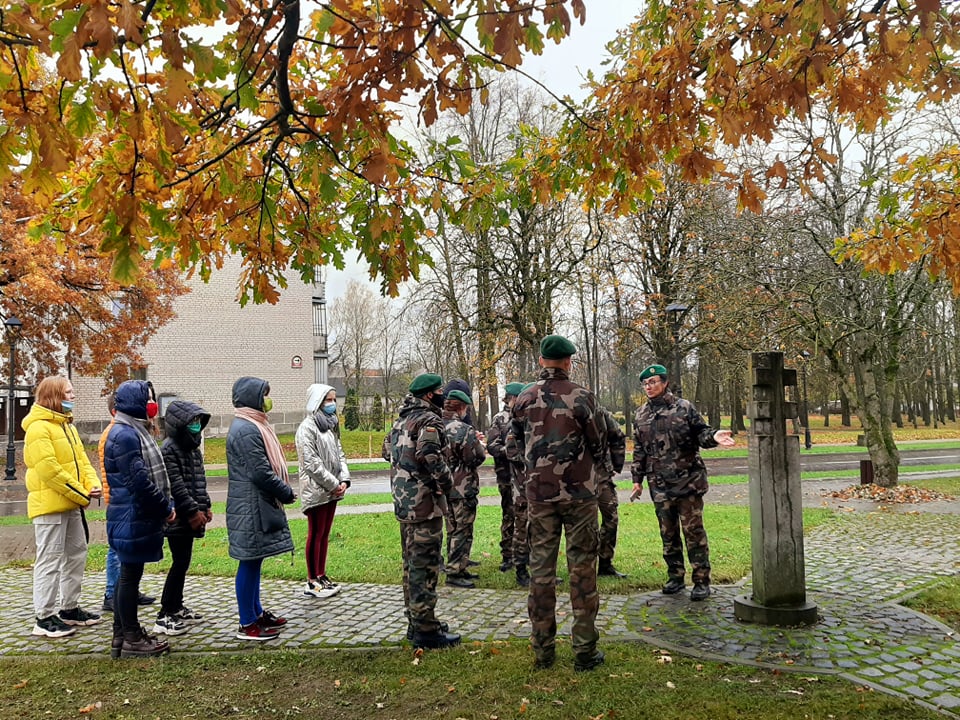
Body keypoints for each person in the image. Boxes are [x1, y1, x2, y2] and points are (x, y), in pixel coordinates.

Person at [511, 335, 606, 672]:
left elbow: (512, 445)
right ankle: (584, 651)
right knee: (582, 569)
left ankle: (543, 651)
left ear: (541, 361)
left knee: (541, 570)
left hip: (540, 497)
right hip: (579, 496)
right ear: (568, 361)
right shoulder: (583, 397)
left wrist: (531, 475)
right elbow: (599, 441)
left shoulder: (523, 398)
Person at [631, 364, 735, 602]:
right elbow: (640, 450)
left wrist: (714, 437)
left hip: (688, 482)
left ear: (665, 382)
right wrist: (637, 480)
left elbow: (702, 433)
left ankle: (701, 581)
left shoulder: (683, 408)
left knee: (694, 533)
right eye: (645, 384)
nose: (649, 387)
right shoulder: (641, 415)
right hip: (659, 485)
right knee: (668, 534)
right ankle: (675, 577)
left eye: (654, 382)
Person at [383, 373, 460, 649]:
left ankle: (415, 621)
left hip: (404, 503)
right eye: (440, 391)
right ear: (429, 395)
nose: (443, 396)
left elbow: (386, 450)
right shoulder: (429, 420)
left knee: (410, 564)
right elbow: (430, 454)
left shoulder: (400, 420)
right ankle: (426, 629)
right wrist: (446, 484)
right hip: (424, 504)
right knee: (425, 566)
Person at [23, 375, 103, 639]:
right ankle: (44, 617)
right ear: (54, 396)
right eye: (68, 393)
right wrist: (82, 494)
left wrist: (92, 485)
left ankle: (69, 608)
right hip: (50, 506)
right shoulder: (39, 428)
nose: (73, 396)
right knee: (49, 560)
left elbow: (83, 459)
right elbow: (50, 471)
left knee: (76, 553)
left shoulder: (66, 426)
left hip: (70, 503)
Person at [103, 380, 175, 658]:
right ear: (134, 402)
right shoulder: (126, 435)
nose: (151, 404)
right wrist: (165, 508)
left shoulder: (130, 430)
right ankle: (131, 637)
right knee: (130, 577)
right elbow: (140, 482)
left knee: (128, 575)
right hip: (132, 515)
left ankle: (122, 635)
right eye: (147, 399)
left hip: (130, 515)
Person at [226, 377, 296, 641]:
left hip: (255, 503)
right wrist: (286, 492)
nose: (268, 399)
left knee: (254, 559)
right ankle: (247, 622)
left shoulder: (253, 424)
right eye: (264, 394)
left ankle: (256, 612)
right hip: (250, 505)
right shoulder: (246, 429)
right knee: (249, 560)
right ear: (252, 398)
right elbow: (260, 473)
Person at [153, 400, 213, 636]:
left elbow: (199, 480)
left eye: (199, 421)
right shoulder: (169, 448)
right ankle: (166, 610)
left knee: (184, 561)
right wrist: (191, 511)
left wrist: (205, 505)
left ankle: (176, 605)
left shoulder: (193, 448)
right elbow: (176, 485)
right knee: (179, 563)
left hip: (193, 512)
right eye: (192, 422)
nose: (196, 426)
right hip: (180, 517)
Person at [99, 392, 155, 613]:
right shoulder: (116, 434)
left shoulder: (126, 432)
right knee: (117, 551)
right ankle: (112, 593)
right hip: (119, 502)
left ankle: (129, 590)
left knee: (127, 556)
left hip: (121, 500)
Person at [295, 383, 350, 599]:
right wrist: (332, 483)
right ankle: (312, 579)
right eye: (328, 399)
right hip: (316, 490)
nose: (332, 404)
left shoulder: (330, 426)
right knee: (315, 532)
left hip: (332, 489)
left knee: (325, 533)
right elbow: (311, 463)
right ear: (317, 401)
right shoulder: (306, 428)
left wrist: (343, 479)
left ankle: (321, 573)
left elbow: (340, 454)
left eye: (334, 399)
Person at [440, 390, 486, 588]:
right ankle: (455, 571)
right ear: (461, 407)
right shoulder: (463, 430)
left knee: (451, 528)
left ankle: (457, 565)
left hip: (443, 486)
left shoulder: (435, 425)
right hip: (462, 486)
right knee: (463, 530)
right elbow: (477, 456)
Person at [485, 382, 525, 574]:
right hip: (506, 476)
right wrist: (510, 452)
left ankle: (525, 555)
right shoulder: (499, 419)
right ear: (511, 398)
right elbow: (492, 445)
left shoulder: (526, 416)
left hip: (524, 477)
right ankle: (507, 555)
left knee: (525, 517)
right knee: (509, 515)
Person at [597, 407, 627, 578]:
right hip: (575, 480)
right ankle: (584, 566)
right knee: (581, 524)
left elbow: (617, 435)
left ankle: (605, 563)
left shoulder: (600, 413)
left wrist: (616, 464)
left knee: (611, 518)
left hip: (601, 476)